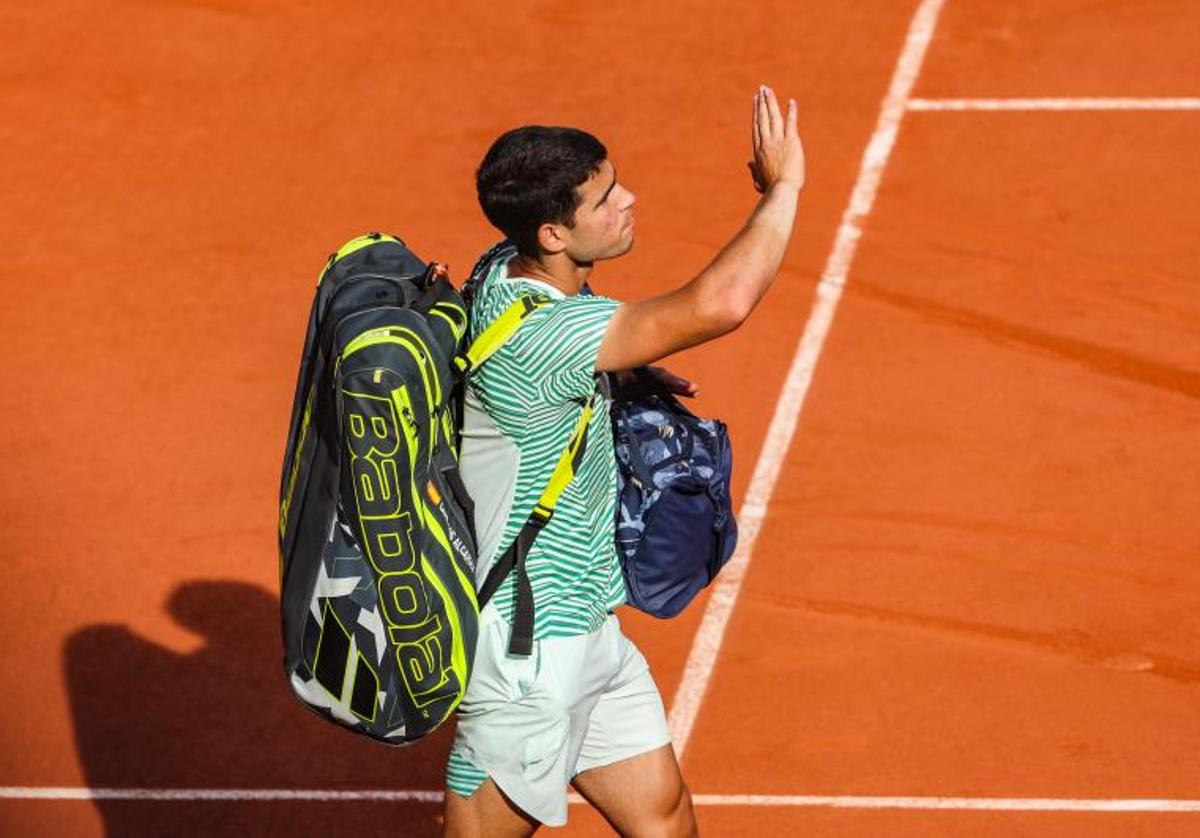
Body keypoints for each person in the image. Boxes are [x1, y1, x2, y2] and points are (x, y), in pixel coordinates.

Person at [443, 85, 805, 836]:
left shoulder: (500, 270)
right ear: (550, 233)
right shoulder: (551, 336)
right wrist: (785, 187)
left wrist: (624, 371)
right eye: (605, 198)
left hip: (585, 628)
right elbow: (722, 302)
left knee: (664, 817)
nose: (628, 200)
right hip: (525, 657)